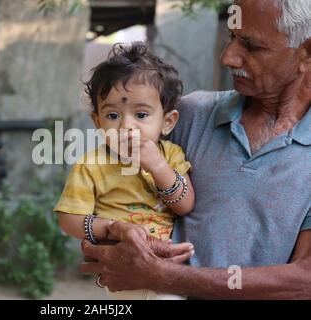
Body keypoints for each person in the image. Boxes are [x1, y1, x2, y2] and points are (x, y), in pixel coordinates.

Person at [80, 0, 311, 299]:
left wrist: (168, 277)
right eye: (232, 37)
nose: (228, 57)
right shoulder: (191, 114)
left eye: (251, 46)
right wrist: (114, 234)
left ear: (306, 52)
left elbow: (304, 280)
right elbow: (107, 202)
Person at [54, 43, 196, 300]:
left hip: (169, 266)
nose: (126, 125)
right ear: (97, 122)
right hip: (124, 266)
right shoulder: (91, 165)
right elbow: (68, 220)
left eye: (141, 114)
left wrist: (158, 167)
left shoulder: (170, 155)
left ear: (167, 122)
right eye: (112, 115)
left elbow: (185, 205)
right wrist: (110, 228)